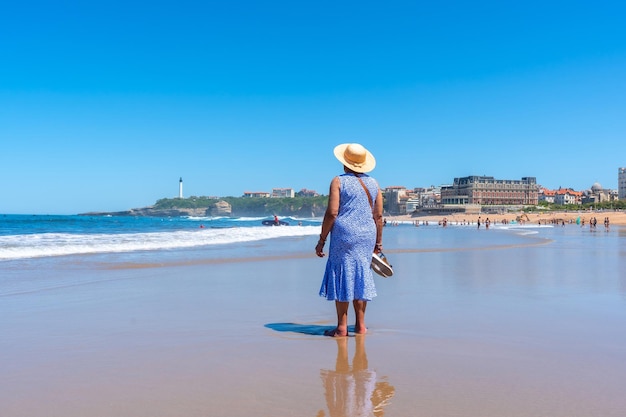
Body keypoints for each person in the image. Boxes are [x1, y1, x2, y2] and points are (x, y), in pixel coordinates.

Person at [315, 143, 384, 337]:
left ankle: (342, 328)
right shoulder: (374, 183)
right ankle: (361, 326)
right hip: (366, 235)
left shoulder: (338, 181)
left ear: (344, 162)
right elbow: (378, 216)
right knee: (361, 275)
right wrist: (378, 242)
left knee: (344, 276)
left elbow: (332, 213)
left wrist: (321, 240)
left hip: (344, 234)